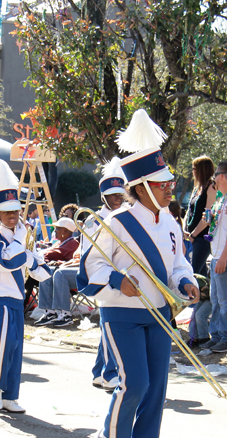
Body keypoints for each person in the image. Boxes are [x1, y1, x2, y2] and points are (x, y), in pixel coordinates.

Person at [81, 109, 199, 438]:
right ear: (144, 186)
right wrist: (118, 279)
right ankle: (106, 437)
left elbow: (178, 263)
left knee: (157, 389)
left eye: (169, 183)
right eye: (163, 184)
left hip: (160, 314)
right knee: (135, 384)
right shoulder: (114, 223)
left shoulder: (172, 224)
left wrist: (185, 282)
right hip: (122, 312)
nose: (170, 188)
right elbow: (90, 267)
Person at [0, 159, 52, 413]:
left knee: (17, 344)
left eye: (16, 211)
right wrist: (24, 247)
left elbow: (40, 271)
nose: (13, 216)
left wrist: (36, 260)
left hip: (16, 297)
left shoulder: (20, 238)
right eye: (7, 212)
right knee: (5, 342)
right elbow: (5, 262)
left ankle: (11, 394)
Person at [85, 158, 128, 390]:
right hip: (105, 278)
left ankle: (99, 371)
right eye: (113, 196)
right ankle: (110, 372)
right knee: (111, 325)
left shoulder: (127, 217)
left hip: (122, 278)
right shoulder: (94, 220)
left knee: (108, 327)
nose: (118, 199)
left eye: (120, 194)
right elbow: (89, 255)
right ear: (104, 197)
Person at [201, 161, 227, 353]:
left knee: (226, 299)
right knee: (216, 298)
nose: (214, 178)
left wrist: (224, 257)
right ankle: (216, 335)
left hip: (225, 256)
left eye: (216, 174)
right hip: (216, 254)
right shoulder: (223, 197)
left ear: (222, 176)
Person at [30, 217, 80, 327]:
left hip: (68, 276)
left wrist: (58, 262)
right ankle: (49, 312)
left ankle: (65, 314)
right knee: (46, 271)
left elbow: (72, 259)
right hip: (56, 272)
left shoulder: (72, 243)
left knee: (53, 272)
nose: (55, 230)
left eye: (57, 228)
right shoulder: (59, 243)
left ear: (66, 231)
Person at [184, 156, 217, 277]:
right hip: (191, 236)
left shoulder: (211, 188)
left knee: (193, 272)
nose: (192, 171)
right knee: (201, 274)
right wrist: (185, 230)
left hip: (202, 238)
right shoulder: (197, 187)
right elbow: (189, 211)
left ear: (201, 170)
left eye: (194, 168)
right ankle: (204, 294)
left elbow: (207, 218)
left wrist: (193, 235)